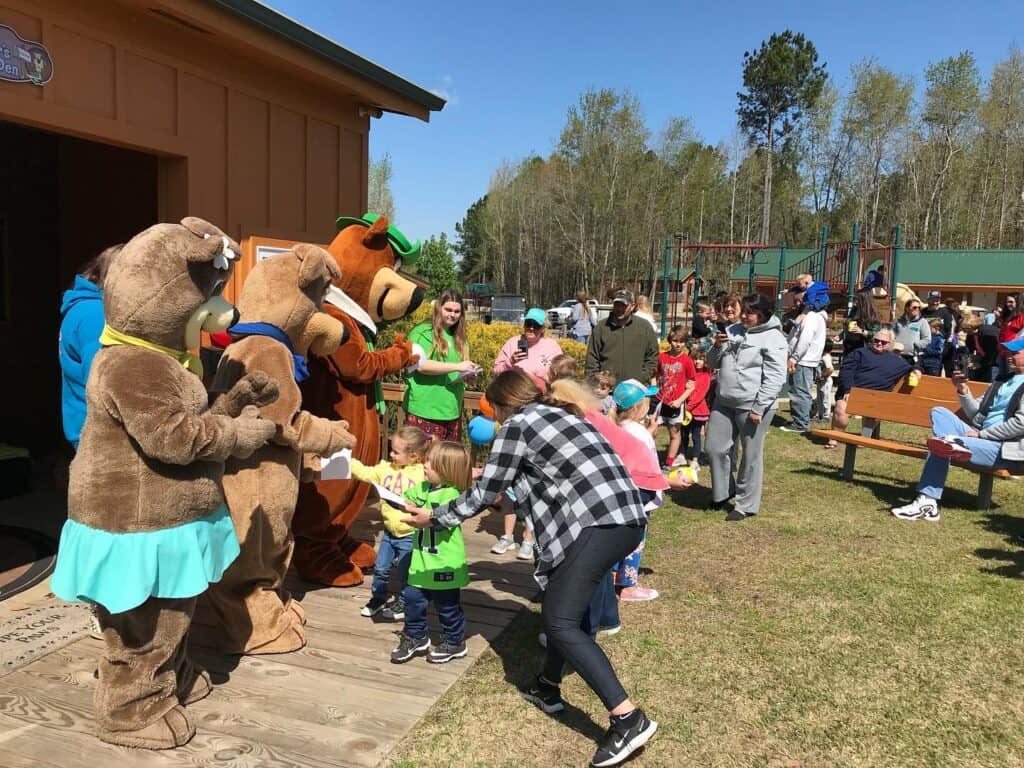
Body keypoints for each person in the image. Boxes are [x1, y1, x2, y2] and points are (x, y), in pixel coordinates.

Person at [403, 369, 657, 767]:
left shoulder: (518, 425)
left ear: (503, 406)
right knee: (560, 600)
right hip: (626, 519)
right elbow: (532, 476)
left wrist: (433, 516)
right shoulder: (565, 413)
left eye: (495, 412)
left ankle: (628, 719)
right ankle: (547, 687)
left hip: (595, 524)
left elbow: (489, 494)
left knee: (559, 622)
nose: (496, 420)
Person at [891, 336, 1024, 522]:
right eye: (1008, 352)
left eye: (1015, 352)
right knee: (939, 412)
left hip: (1004, 449)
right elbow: (975, 413)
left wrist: (981, 434)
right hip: (980, 438)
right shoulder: (1002, 381)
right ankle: (952, 446)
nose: (1009, 356)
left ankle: (928, 501)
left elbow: (1020, 424)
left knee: (941, 445)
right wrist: (962, 389)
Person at [706, 293, 788, 521]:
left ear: (762, 315)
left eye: (749, 313)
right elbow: (712, 363)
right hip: (724, 401)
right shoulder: (732, 331)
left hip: (752, 406)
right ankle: (723, 492)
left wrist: (759, 407)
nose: (743, 316)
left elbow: (775, 378)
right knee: (714, 448)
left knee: (750, 456)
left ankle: (745, 505)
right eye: (744, 311)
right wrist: (716, 347)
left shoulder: (774, 338)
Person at [391, 440, 474, 664]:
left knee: (447, 606)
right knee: (412, 600)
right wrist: (401, 501)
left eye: (431, 464)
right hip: (421, 563)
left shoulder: (452, 496)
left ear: (447, 471)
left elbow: (436, 516)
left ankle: (455, 641)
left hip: (444, 564)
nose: (425, 466)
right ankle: (415, 637)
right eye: (426, 461)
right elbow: (410, 497)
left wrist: (422, 512)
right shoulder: (425, 487)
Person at [355, 426, 429, 620]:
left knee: (406, 573)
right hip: (389, 533)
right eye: (391, 449)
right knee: (380, 568)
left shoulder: (422, 474)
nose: (391, 454)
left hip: (410, 534)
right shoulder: (384, 469)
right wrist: (347, 462)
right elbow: (365, 472)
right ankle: (378, 599)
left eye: (396, 452)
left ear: (413, 456)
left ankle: (404, 603)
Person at [59, 244, 121, 451]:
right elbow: (102, 381)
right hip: (100, 438)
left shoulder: (84, 307)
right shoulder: (95, 315)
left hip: (88, 430)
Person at [611, 379, 663, 602]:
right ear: (637, 408)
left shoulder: (614, 427)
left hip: (617, 495)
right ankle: (627, 585)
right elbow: (647, 461)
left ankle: (611, 577)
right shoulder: (639, 433)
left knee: (613, 536)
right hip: (639, 493)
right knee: (635, 538)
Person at [825, 326, 918, 449]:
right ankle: (834, 439)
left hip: (876, 400)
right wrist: (848, 390)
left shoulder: (897, 362)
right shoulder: (859, 353)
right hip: (853, 394)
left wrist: (917, 371)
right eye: (876, 340)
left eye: (883, 342)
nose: (879, 343)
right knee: (841, 407)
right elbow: (846, 371)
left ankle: (864, 439)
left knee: (874, 410)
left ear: (889, 344)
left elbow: (915, 366)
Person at [404, 290, 480, 441]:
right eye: (448, 310)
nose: (452, 315)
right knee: (421, 462)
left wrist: (469, 376)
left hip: (452, 410)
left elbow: (458, 370)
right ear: (439, 308)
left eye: (457, 311)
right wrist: (458, 366)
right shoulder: (422, 332)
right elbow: (420, 365)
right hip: (424, 409)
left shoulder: (461, 339)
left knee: (444, 463)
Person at [584, 289, 660, 383]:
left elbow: (653, 356)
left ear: (632, 306)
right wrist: (595, 383)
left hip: (635, 391)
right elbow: (592, 359)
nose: (619, 309)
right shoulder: (601, 328)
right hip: (607, 392)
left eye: (623, 306)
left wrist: (642, 377)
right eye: (617, 305)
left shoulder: (644, 327)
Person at [651, 325, 696, 470]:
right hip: (660, 401)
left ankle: (668, 463)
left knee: (674, 433)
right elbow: (654, 375)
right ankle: (649, 459)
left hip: (676, 403)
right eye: (676, 341)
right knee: (652, 430)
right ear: (670, 340)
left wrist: (679, 401)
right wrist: (654, 390)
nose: (679, 344)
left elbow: (691, 385)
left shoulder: (687, 361)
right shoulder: (662, 357)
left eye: (682, 342)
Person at [782, 293, 827, 433]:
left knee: (799, 391)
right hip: (805, 360)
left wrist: (794, 358)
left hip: (803, 360)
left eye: (798, 301)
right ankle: (801, 419)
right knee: (800, 390)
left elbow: (805, 340)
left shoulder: (811, 317)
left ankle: (801, 423)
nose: (795, 304)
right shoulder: (813, 317)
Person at [493, 307, 564, 381]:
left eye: (536, 325)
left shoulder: (552, 347)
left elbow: (561, 374)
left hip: (542, 391)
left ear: (543, 328)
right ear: (524, 325)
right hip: (515, 390)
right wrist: (510, 362)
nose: (531, 328)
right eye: (528, 324)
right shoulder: (512, 343)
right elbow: (496, 372)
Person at [680, 347, 712, 469]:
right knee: (683, 433)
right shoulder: (689, 374)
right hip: (686, 409)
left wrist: (688, 407)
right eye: (695, 359)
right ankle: (681, 454)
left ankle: (695, 459)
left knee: (696, 435)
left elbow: (700, 395)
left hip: (697, 410)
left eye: (701, 359)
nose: (698, 362)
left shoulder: (705, 376)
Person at [922, 290, 956, 376]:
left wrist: (944, 344)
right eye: (933, 299)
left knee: (937, 373)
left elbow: (949, 330)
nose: (935, 302)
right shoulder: (922, 312)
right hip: (924, 346)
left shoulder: (945, 312)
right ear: (928, 300)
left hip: (939, 347)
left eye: (937, 300)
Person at [843, 290, 882, 354]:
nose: (854, 302)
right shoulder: (854, 310)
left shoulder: (872, 316)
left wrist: (861, 331)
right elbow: (849, 325)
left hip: (864, 348)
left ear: (864, 301)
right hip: (849, 346)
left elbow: (876, 334)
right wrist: (841, 335)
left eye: (857, 300)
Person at [892, 298, 931, 364]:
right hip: (897, 356)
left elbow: (927, 339)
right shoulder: (898, 321)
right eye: (915, 307)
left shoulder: (922, 322)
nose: (917, 309)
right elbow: (892, 335)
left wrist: (915, 345)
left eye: (919, 307)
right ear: (907, 308)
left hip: (913, 357)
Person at [997, 293, 1024, 376]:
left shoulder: (1022, 317)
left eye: (1011, 302)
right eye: (1007, 302)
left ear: (1018, 302)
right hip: (1002, 353)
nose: (1008, 304)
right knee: (1002, 379)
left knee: (1011, 379)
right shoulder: (1007, 317)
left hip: (1013, 355)